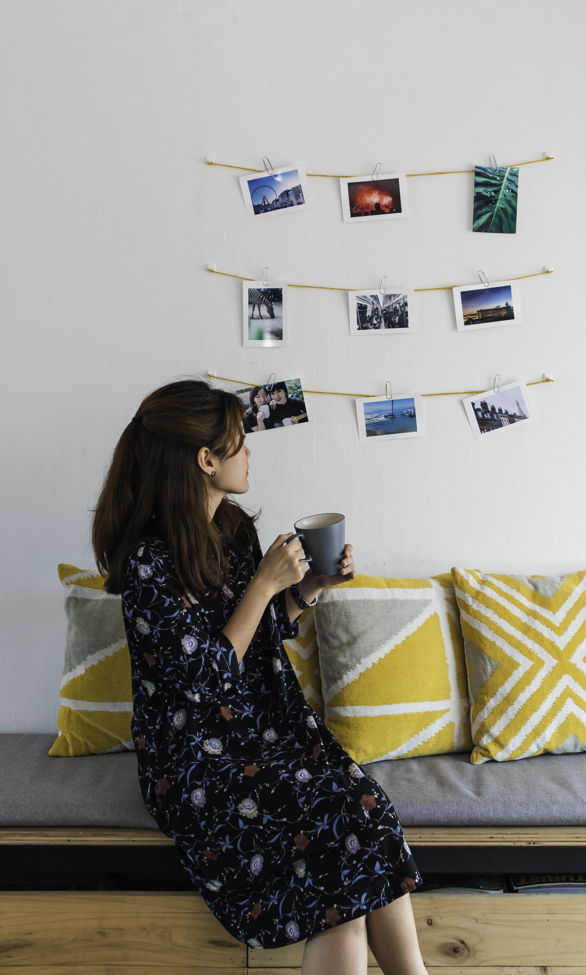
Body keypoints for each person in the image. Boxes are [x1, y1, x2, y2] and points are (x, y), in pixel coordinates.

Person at [90, 379, 426, 973]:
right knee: (341, 845)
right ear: (206, 459)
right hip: (197, 763)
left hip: (268, 735)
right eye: (240, 444)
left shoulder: (234, 531)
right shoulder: (149, 563)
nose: (250, 455)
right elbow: (206, 678)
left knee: (366, 811)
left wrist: (308, 590)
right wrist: (267, 583)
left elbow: (262, 634)